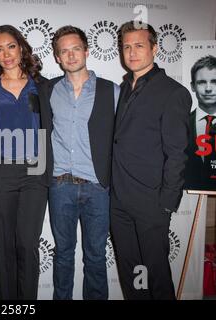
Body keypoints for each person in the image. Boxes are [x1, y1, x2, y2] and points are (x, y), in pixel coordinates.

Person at [111, 21, 192, 300]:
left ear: (155, 48)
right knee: (132, 273)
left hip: (151, 203)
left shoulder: (173, 92)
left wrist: (166, 203)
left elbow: (177, 153)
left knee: (155, 275)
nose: (132, 53)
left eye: (139, 46)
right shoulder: (123, 88)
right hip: (119, 199)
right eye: (127, 47)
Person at [0, 24, 53, 300]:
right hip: (2, 173)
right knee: (5, 245)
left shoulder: (43, 85)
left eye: (11, 46)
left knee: (28, 244)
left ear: (21, 47)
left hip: (35, 171)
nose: (6, 54)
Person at [48, 25, 119, 300]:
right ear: (57, 57)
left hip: (97, 187)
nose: (71, 55)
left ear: (87, 51)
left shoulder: (111, 91)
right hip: (60, 185)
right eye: (64, 51)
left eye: (75, 48)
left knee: (96, 258)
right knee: (63, 256)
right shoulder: (49, 90)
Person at [184, 55, 216, 190]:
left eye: (214, 81)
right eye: (202, 82)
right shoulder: (182, 124)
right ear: (193, 86)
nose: (208, 88)